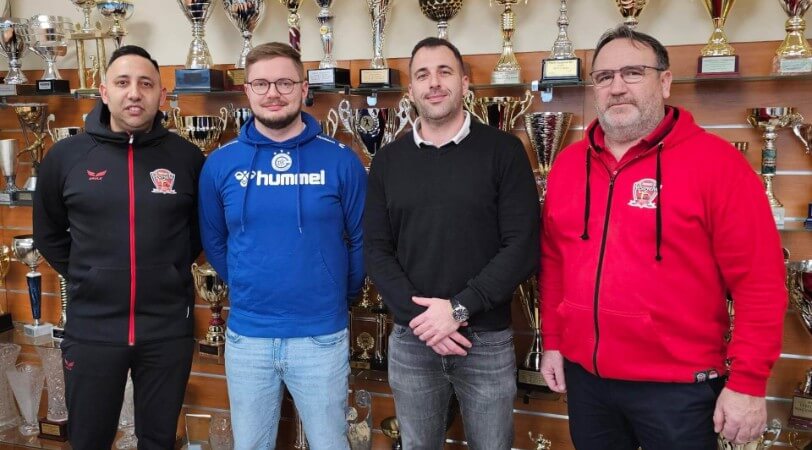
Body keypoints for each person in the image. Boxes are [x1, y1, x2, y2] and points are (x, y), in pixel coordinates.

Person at [539, 25, 787, 450]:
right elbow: (554, 262)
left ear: (665, 82)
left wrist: (747, 382)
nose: (617, 87)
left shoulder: (718, 164)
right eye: (604, 77)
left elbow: (759, 282)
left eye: (633, 73)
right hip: (588, 383)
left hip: (679, 390)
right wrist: (555, 343)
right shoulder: (567, 165)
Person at [364, 37, 539, 450]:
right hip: (413, 340)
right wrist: (426, 321)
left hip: (486, 341)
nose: (434, 83)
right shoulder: (388, 161)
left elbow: (522, 246)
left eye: (444, 72)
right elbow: (376, 249)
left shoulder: (504, 151)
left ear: (464, 82)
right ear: (411, 90)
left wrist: (458, 309)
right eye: (422, 75)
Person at [33, 45, 204, 449]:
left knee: (158, 440)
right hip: (92, 329)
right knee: (89, 440)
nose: (134, 93)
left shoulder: (187, 158)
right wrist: (90, 275)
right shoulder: (65, 157)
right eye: (123, 82)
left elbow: (197, 233)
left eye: (146, 84)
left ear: (161, 94)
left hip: (166, 331)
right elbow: (48, 233)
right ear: (104, 91)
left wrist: (167, 272)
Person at [198, 42, 366, 450]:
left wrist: (337, 293)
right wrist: (246, 282)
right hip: (248, 337)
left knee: (331, 444)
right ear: (247, 90)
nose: (273, 93)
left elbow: (362, 239)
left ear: (304, 88)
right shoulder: (220, 164)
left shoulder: (342, 160)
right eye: (261, 83)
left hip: (321, 336)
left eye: (285, 83)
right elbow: (214, 240)